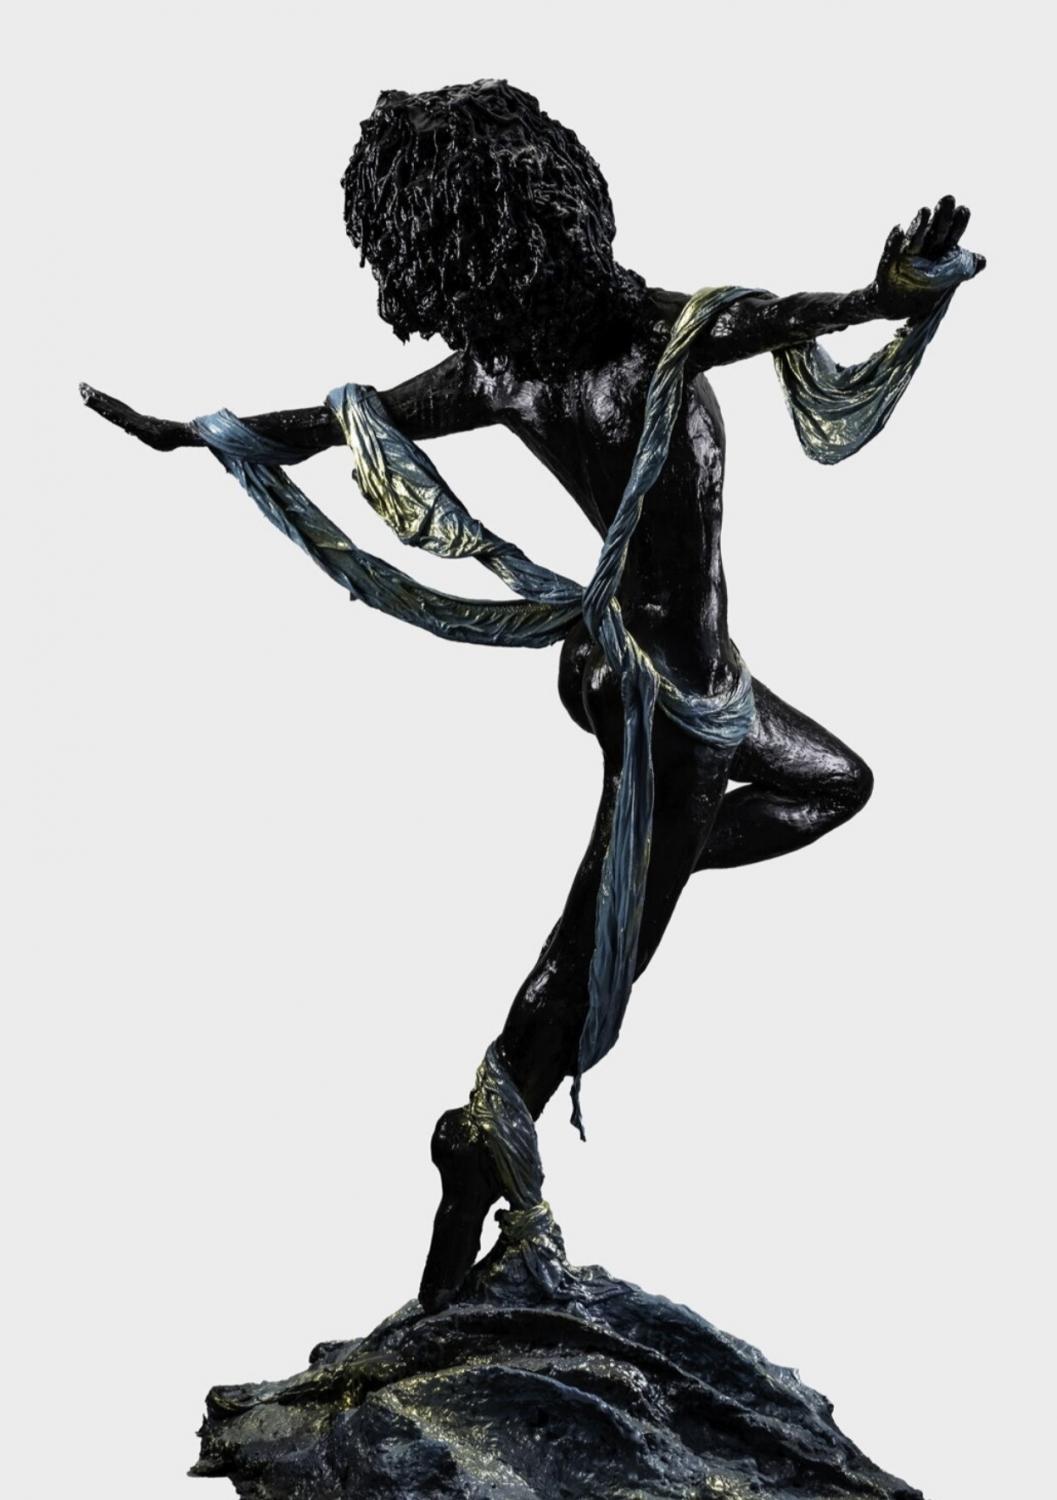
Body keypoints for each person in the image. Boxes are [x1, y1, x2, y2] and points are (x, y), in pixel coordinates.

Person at [82, 79, 985, 1311]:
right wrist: (886, 295)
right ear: (556, 205)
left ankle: (634, 895)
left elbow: (336, 423)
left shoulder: (509, 369)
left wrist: (203, 433)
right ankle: (479, 1148)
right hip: (663, 696)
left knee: (830, 784)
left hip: (665, 671)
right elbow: (793, 314)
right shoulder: (638, 340)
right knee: (592, 958)